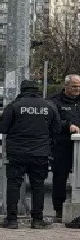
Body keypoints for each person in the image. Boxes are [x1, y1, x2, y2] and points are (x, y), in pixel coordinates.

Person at [0, 80, 62, 229]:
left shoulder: (14, 105)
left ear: (22, 89)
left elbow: (2, 128)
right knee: (38, 186)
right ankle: (37, 219)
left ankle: (11, 220)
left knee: (13, 185)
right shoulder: (49, 105)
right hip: (40, 152)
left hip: (17, 152)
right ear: (37, 90)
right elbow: (57, 128)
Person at [48, 74, 80, 222]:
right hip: (62, 145)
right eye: (74, 86)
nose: (77, 89)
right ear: (66, 86)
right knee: (60, 178)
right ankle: (59, 209)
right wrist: (68, 125)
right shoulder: (55, 101)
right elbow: (51, 121)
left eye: (79, 86)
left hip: (78, 145)